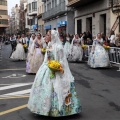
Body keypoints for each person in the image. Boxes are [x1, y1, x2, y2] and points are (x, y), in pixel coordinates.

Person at [28, 30, 82, 117]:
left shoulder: (59, 47)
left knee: (57, 88)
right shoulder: (49, 45)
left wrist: (57, 66)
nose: (46, 36)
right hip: (47, 68)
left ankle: (58, 110)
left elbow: (62, 60)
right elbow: (46, 59)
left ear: (52, 36)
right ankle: (42, 108)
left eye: (48, 35)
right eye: (46, 35)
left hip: (55, 69)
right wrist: (44, 67)